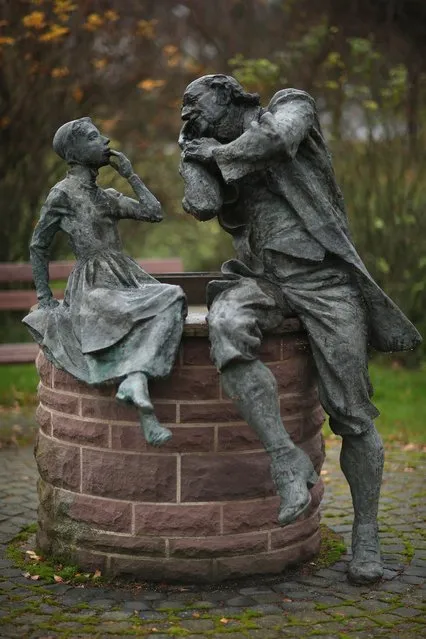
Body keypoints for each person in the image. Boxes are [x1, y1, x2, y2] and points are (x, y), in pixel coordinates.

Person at [179, 74, 422, 584]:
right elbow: (201, 205)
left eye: (193, 104)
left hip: (325, 280)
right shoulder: (209, 145)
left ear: (227, 96)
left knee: (353, 415)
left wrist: (212, 153)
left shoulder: (292, 106)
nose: (187, 114)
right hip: (262, 280)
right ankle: (286, 461)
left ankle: (366, 533)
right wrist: (190, 154)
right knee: (224, 326)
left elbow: (275, 141)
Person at [24, 117, 187, 446]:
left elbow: (153, 212)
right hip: (93, 284)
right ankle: (137, 388)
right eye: (95, 138)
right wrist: (45, 299)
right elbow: (38, 245)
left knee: (172, 295)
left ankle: (136, 377)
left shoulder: (107, 195)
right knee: (110, 307)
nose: (107, 141)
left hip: (126, 277)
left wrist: (130, 175)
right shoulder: (63, 195)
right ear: (73, 153)